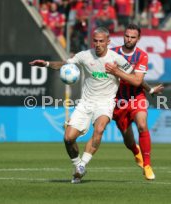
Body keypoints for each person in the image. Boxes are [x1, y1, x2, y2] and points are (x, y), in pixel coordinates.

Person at [29, 27, 143, 184]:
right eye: (95, 41)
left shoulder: (116, 58)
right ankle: (78, 166)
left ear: (108, 42)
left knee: (100, 129)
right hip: (86, 103)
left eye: (101, 41)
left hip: (106, 103)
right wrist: (47, 64)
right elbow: (64, 64)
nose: (98, 44)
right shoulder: (84, 56)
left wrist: (147, 88)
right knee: (68, 138)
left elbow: (135, 77)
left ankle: (83, 164)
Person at [106, 24, 164, 180]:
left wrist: (148, 90)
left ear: (138, 38)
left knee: (142, 125)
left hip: (136, 98)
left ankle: (147, 165)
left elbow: (138, 81)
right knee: (128, 139)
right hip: (118, 100)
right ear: (123, 36)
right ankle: (136, 152)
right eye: (127, 36)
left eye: (132, 37)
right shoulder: (112, 53)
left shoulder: (142, 55)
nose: (129, 39)